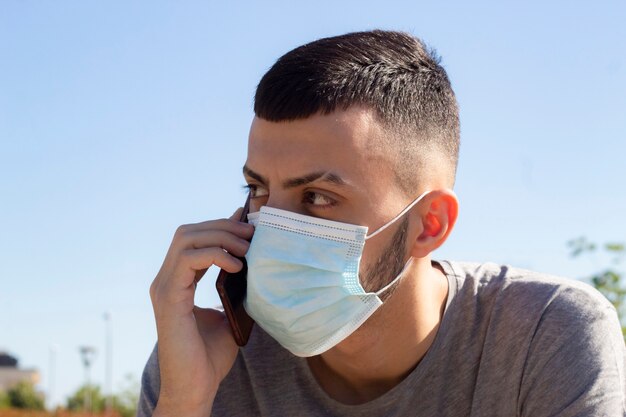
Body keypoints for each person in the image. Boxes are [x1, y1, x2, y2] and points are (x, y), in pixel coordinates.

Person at [138, 30, 626, 416]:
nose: (272, 228)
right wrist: (185, 404)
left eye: (317, 197)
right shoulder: (202, 361)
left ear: (428, 224)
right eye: (258, 191)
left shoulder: (545, 336)